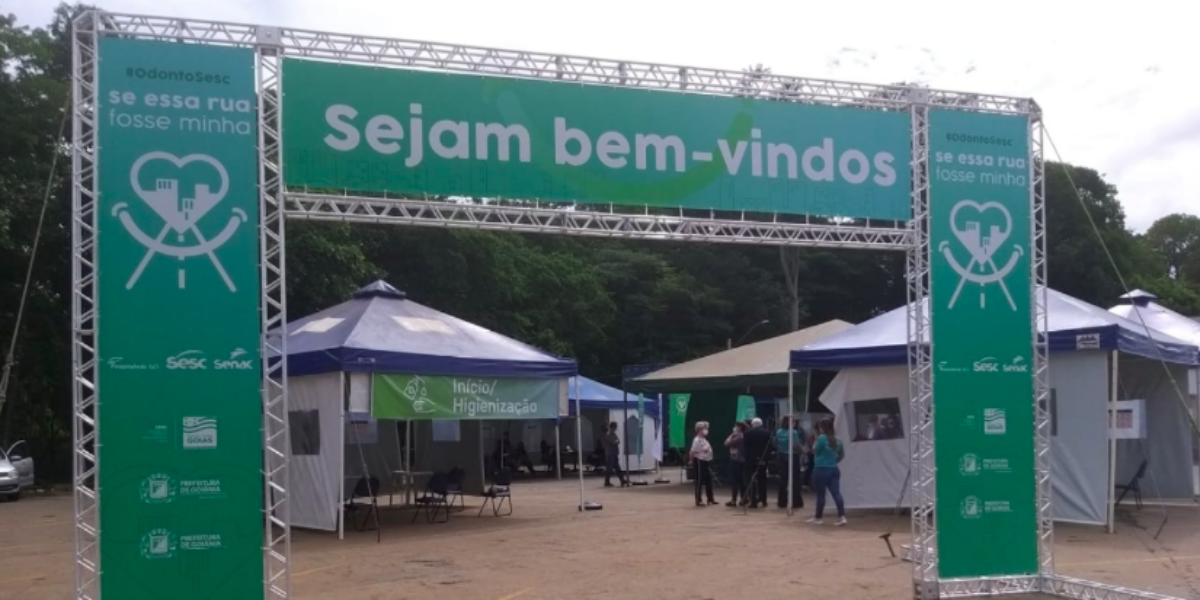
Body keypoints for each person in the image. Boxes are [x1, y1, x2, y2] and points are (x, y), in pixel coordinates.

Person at [808, 418, 847, 526]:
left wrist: (815, 439)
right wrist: (833, 461)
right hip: (833, 469)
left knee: (821, 494)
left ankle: (818, 517)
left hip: (820, 468)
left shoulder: (821, 438)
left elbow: (814, 451)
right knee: (836, 493)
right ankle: (841, 516)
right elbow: (842, 455)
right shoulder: (838, 439)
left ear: (822, 427)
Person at [774, 416, 805, 509]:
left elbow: (775, 443)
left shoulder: (778, 431)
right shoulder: (793, 432)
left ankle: (782, 501)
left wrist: (780, 449)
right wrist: (802, 451)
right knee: (795, 479)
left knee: (783, 479)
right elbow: (795, 445)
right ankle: (796, 501)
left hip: (781, 455)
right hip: (792, 456)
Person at [742, 417, 772, 508]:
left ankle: (753, 501)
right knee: (762, 479)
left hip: (750, 460)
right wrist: (765, 458)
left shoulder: (747, 433)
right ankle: (764, 500)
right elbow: (769, 447)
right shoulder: (767, 433)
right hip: (763, 459)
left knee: (751, 480)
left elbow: (745, 447)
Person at [689, 421, 716, 506]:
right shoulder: (696, 440)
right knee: (699, 481)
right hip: (700, 461)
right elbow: (692, 452)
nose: (706, 430)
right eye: (705, 428)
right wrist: (692, 461)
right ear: (700, 429)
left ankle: (710, 498)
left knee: (709, 480)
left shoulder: (704, 439)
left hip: (706, 461)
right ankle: (698, 500)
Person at [724, 421, 748, 507]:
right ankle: (741, 499)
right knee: (739, 481)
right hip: (737, 460)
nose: (735, 428)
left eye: (736, 426)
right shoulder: (739, 436)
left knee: (737, 481)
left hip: (737, 461)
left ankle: (738, 499)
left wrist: (732, 435)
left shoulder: (740, 437)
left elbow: (727, 443)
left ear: (740, 428)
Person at [602, 422, 628, 487]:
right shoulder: (609, 435)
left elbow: (618, 440)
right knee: (609, 468)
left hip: (614, 453)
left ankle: (622, 480)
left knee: (617, 468)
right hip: (610, 454)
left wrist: (617, 441)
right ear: (612, 427)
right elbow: (614, 442)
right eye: (615, 427)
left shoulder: (613, 434)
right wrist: (616, 441)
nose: (616, 429)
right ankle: (607, 481)